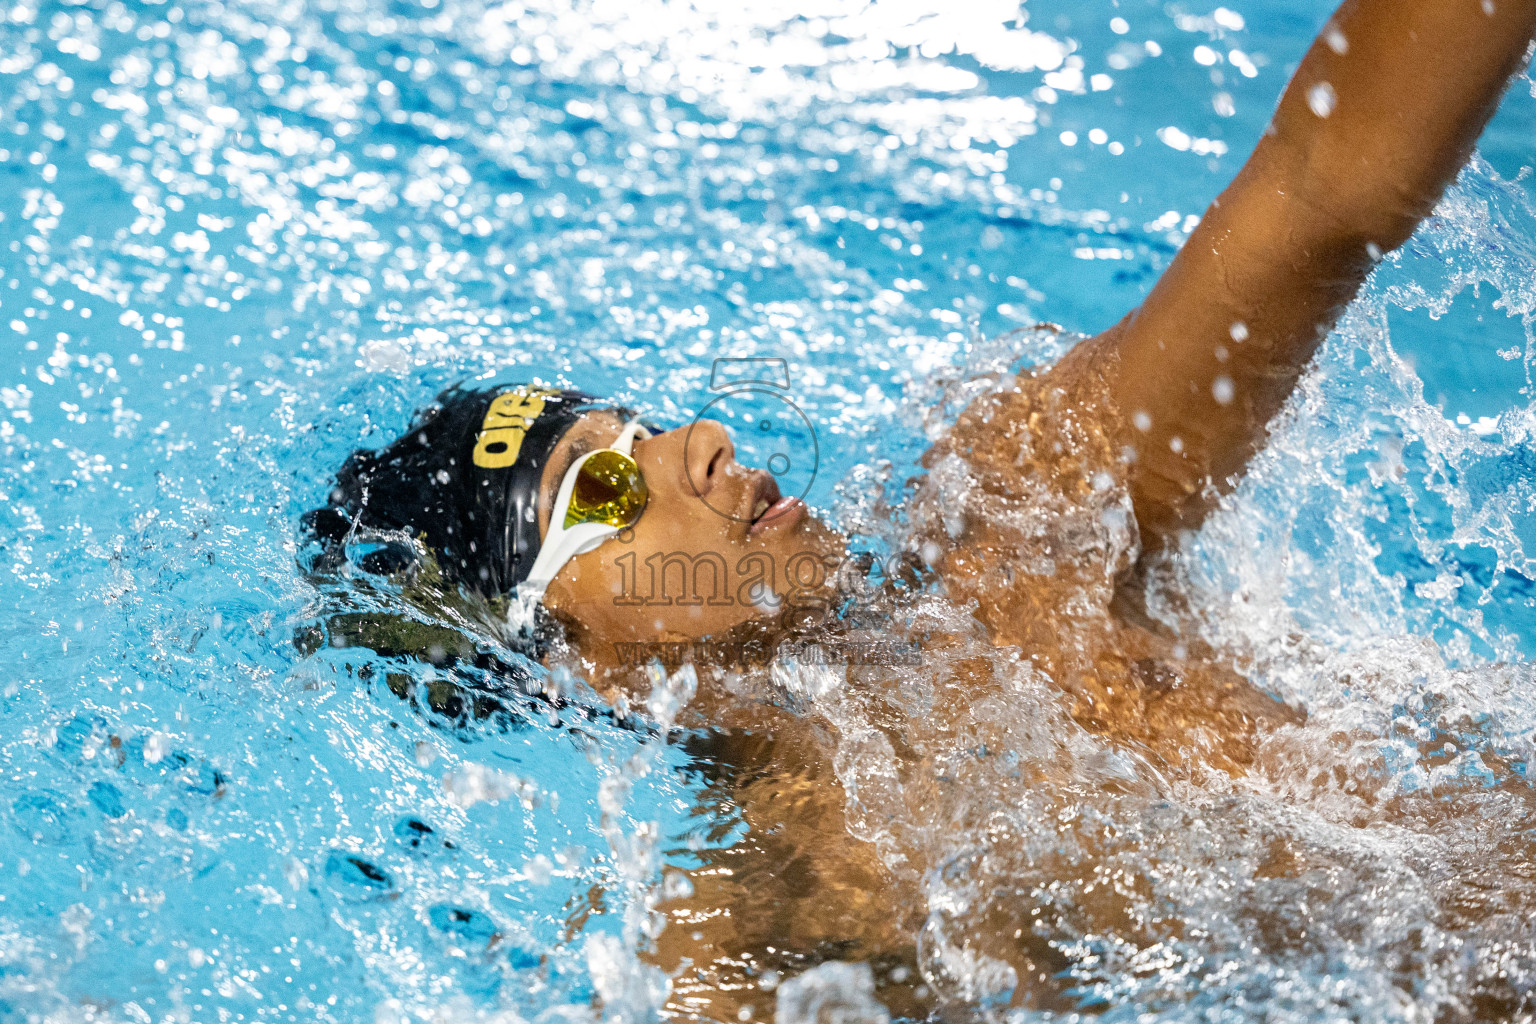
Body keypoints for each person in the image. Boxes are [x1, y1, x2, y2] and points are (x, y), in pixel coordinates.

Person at [302, 0, 1536, 1016]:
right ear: (579, 671)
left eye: (651, 423)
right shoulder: (765, 934)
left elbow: (1325, 189)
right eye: (607, 487)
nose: (704, 441)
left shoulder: (1016, 513)